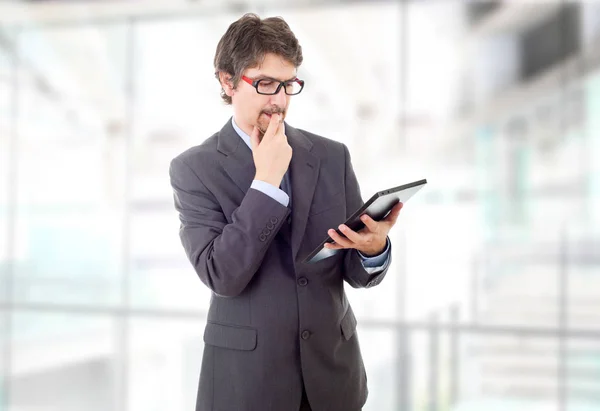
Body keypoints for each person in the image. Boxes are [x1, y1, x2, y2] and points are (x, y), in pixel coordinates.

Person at [169, 13, 403, 411]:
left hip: (333, 378)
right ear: (227, 81)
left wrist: (372, 249)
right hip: (248, 384)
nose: (278, 100)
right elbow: (221, 274)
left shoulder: (330, 156)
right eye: (264, 84)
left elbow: (352, 271)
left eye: (288, 84)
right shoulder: (194, 169)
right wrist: (266, 183)